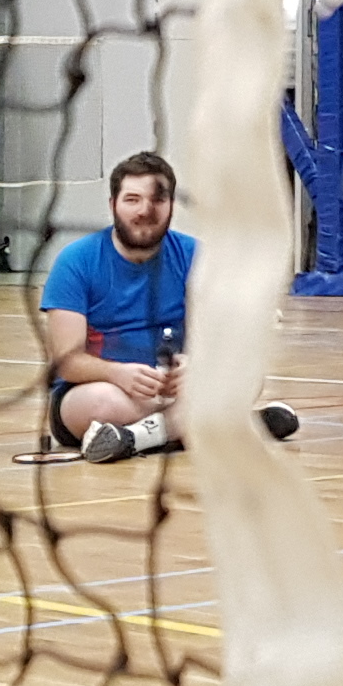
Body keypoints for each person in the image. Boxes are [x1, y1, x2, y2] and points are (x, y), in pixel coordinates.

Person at [39, 151, 301, 463]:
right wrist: (117, 373)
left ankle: (133, 438)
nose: (145, 211)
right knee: (106, 403)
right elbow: (67, 362)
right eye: (132, 200)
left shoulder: (196, 256)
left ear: (171, 205)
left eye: (157, 200)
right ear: (113, 205)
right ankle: (225, 425)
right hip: (100, 393)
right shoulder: (76, 261)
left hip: (177, 392)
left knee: (247, 377)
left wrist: (199, 366)